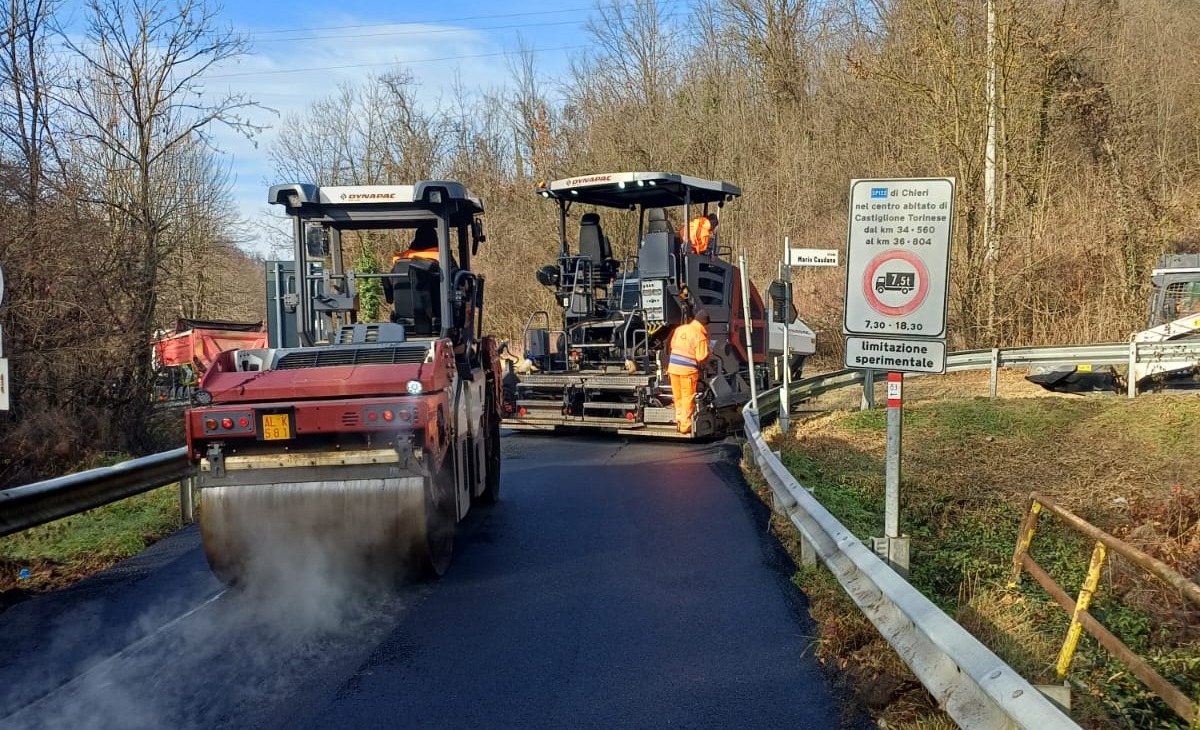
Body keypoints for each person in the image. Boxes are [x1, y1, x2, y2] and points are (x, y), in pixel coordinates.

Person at [666, 309, 711, 435]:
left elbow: (672, 345)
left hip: (673, 368)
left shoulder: (680, 329)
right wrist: (708, 353)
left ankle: (679, 421)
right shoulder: (700, 336)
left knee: (678, 397)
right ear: (704, 324)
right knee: (687, 398)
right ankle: (685, 426)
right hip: (687, 372)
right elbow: (701, 357)